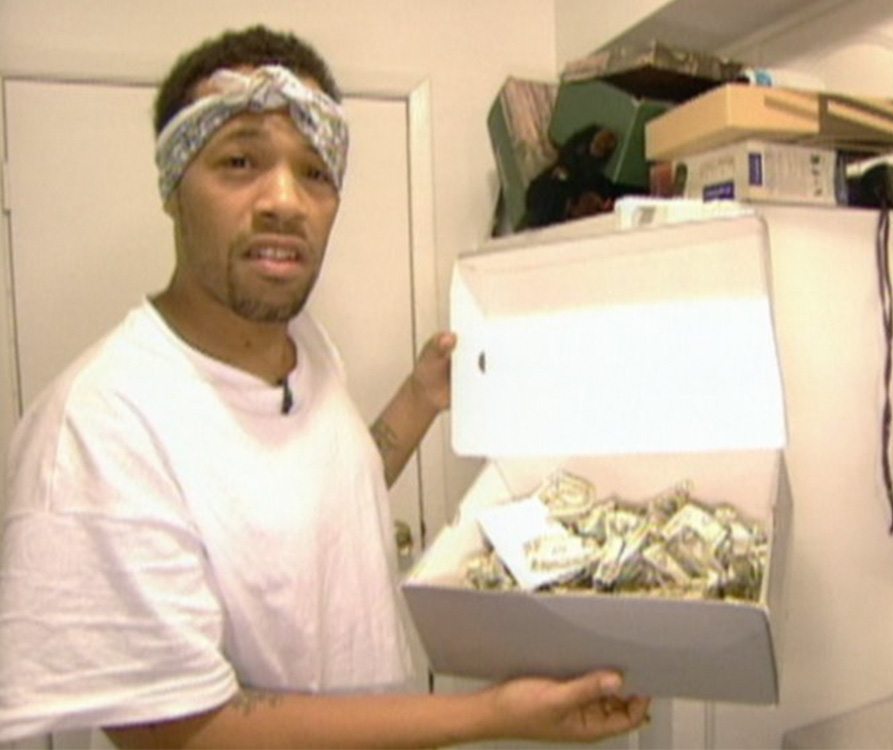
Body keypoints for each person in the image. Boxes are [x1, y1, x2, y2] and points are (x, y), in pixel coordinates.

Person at [0, 25, 649, 748]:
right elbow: (180, 732)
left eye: (314, 171)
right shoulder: (101, 427)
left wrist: (420, 399)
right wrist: (494, 716)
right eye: (240, 161)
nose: (285, 200)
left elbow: (324, 490)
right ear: (173, 187)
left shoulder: (300, 343)